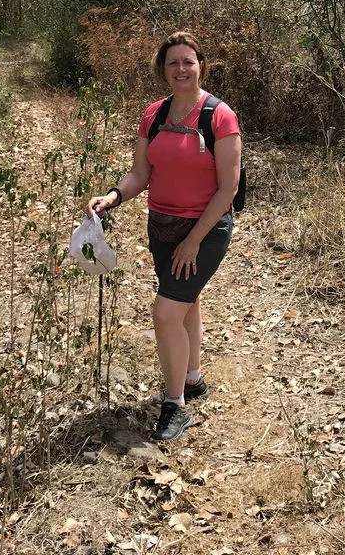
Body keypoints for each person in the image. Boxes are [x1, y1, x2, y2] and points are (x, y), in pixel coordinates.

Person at [88, 31, 241, 441]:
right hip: (162, 226)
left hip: (205, 230)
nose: (181, 69)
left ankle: (175, 406)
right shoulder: (153, 115)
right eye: (173, 63)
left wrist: (193, 241)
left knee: (165, 312)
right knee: (185, 303)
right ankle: (192, 379)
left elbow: (228, 188)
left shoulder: (219, 117)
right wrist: (113, 196)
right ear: (163, 69)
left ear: (201, 66)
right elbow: (141, 173)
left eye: (188, 61)